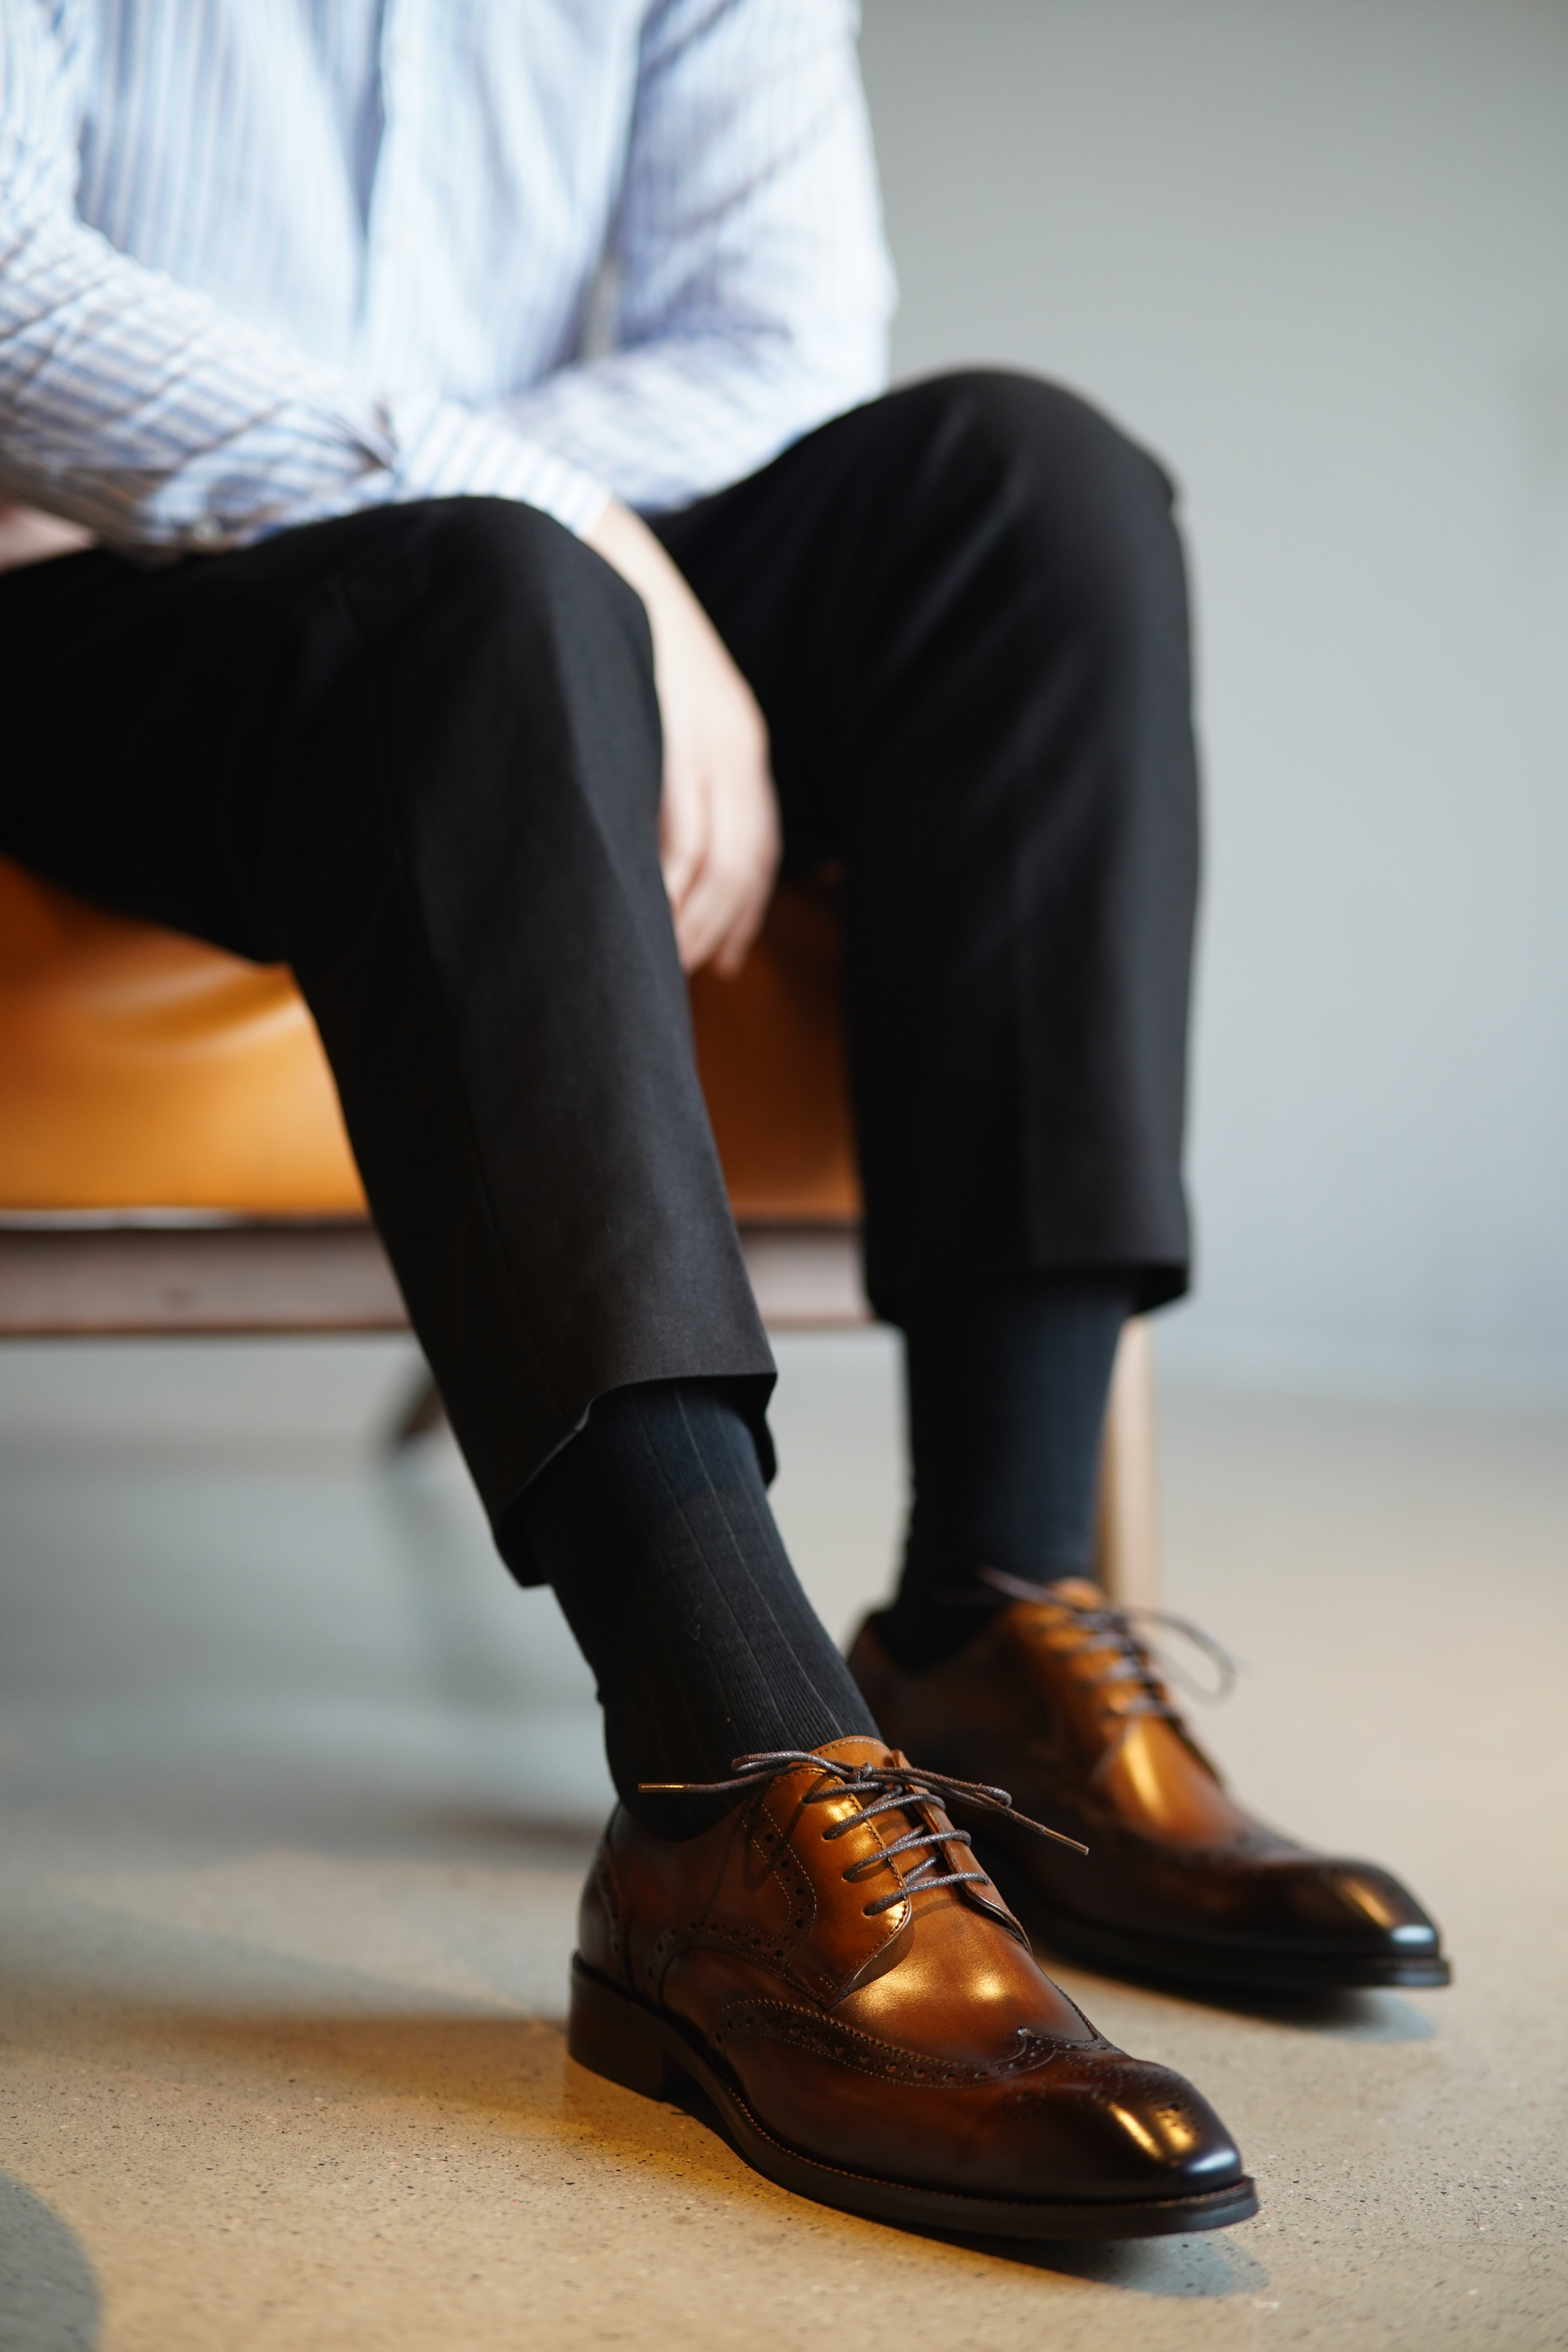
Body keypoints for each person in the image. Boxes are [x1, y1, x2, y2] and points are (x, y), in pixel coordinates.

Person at [0, 0, 1445, 2244]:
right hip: (90, 594)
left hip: (555, 598)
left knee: (1027, 493)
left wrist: (563, 535)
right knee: (493, 592)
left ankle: (992, 1607)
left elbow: (778, 337)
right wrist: (546, 512)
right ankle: (719, 1771)